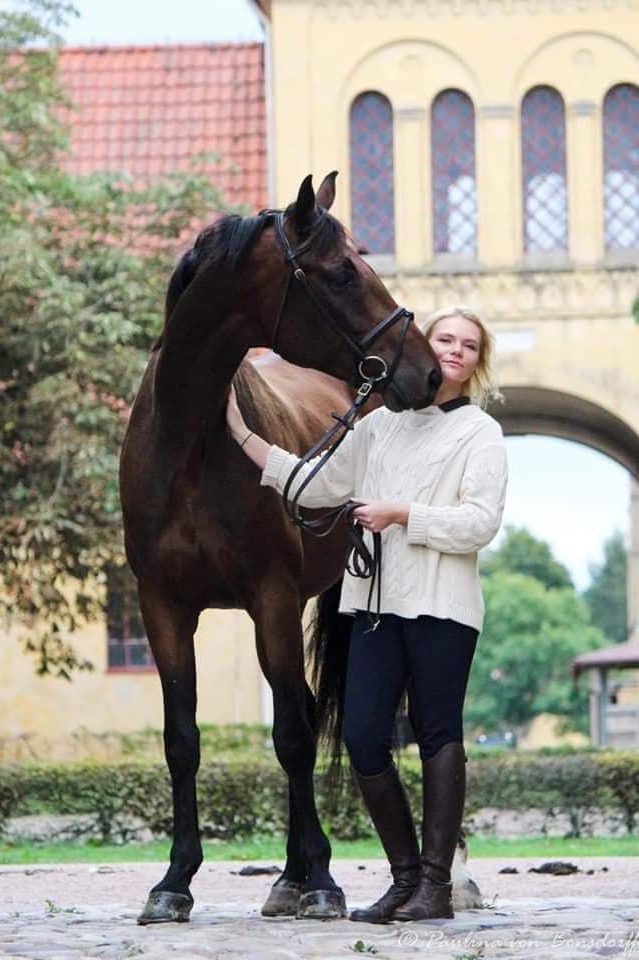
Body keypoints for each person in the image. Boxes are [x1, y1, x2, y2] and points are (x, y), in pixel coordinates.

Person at [226, 306, 508, 923]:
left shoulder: (480, 434)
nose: (455, 350)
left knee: (437, 734)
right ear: (426, 348)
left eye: (468, 345)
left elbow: (480, 525)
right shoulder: (379, 425)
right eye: (445, 339)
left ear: (476, 361)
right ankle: (405, 876)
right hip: (374, 604)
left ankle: (435, 884)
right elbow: (317, 484)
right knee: (362, 739)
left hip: (441, 607)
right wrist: (247, 440)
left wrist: (401, 513)